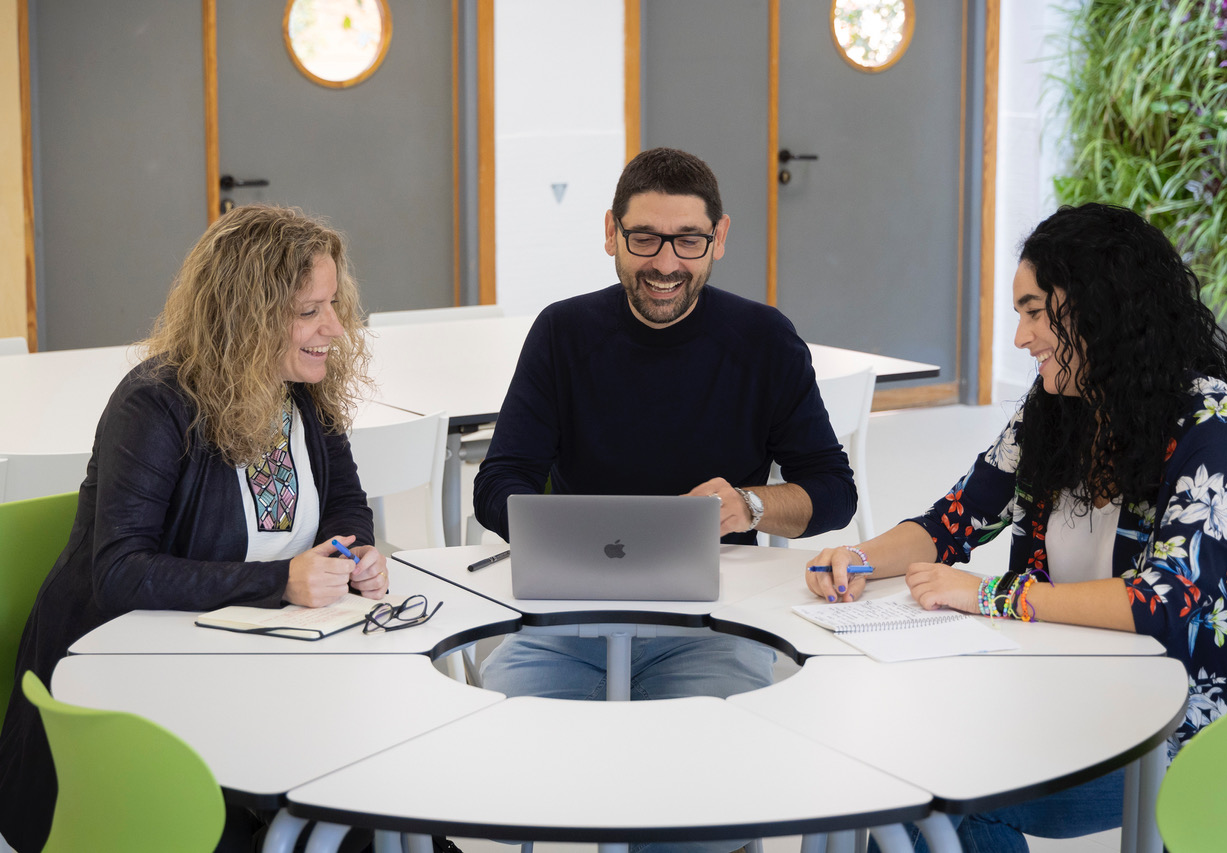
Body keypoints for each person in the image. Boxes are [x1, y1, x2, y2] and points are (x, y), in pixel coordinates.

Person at [806, 202, 1227, 852]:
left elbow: (1161, 607)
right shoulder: (1057, 405)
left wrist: (988, 593)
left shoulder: (1213, 424)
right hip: (1068, 685)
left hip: (1180, 720)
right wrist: (856, 557)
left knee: (962, 800)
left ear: (1099, 308)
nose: (1020, 338)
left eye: (1034, 311)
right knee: (890, 773)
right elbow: (952, 521)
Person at [0, 204, 389, 853]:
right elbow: (120, 571)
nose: (336, 328)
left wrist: (353, 551)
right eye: (310, 311)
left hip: (248, 670)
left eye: (333, 304)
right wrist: (283, 580)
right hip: (132, 684)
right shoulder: (156, 403)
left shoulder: (305, 391)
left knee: (375, 790)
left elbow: (347, 501)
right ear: (247, 314)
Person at [474, 147, 857, 703]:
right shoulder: (563, 333)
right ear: (611, 233)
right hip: (567, 618)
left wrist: (751, 505)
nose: (666, 263)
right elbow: (498, 482)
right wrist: (559, 532)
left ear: (718, 238)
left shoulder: (765, 340)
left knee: (704, 761)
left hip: (713, 622)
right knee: (516, 744)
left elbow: (833, 491)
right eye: (645, 237)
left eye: (689, 240)